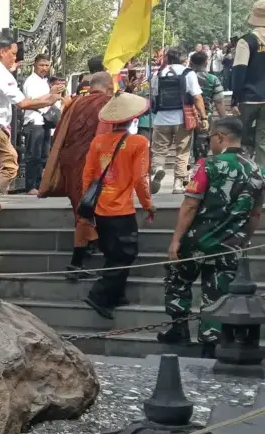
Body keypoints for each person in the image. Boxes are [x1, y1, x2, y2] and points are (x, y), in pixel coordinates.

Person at [160, 117, 265, 354]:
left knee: (178, 281)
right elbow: (255, 214)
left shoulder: (207, 165)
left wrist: (176, 239)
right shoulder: (257, 171)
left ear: (220, 137)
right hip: (230, 243)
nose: (210, 144)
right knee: (218, 292)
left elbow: (190, 205)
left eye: (211, 139)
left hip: (196, 240)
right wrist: (244, 240)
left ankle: (179, 329)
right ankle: (210, 344)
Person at [82, 93, 156, 319]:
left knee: (112, 253)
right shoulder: (139, 142)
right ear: (134, 117)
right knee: (126, 254)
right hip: (122, 209)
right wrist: (148, 204)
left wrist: (87, 203)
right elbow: (140, 179)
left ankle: (117, 294)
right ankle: (100, 294)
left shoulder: (98, 141)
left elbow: (88, 175)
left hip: (99, 207)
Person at [41, 72, 117, 277]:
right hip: (92, 163)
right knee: (90, 209)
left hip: (70, 161)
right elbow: (105, 137)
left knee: (82, 206)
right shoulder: (107, 103)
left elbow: (58, 135)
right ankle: (80, 261)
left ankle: (89, 247)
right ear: (109, 87)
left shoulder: (74, 103)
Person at [0, 37, 63, 194]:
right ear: (2, 52)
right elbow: (23, 103)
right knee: (10, 167)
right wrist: (50, 99)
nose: (15, 58)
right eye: (13, 54)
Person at [150, 48, 206, 195]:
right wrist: (203, 117)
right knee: (183, 151)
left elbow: (154, 95)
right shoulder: (188, 73)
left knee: (159, 150)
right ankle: (178, 184)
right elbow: (197, 97)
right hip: (182, 118)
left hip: (161, 118)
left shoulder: (158, 74)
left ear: (168, 59)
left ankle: (159, 169)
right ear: (184, 59)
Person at [233, 2, 265, 168]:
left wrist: (234, 99)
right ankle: (262, 176)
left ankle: (243, 171)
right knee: (263, 141)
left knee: (241, 137)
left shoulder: (246, 41)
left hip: (249, 98)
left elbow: (239, 71)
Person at [22, 54, 54, 195]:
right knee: (33, 156)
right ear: (35, 65)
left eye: (47, 65)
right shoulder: (31, 81)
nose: (44, 68)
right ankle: (30, 186)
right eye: (41, 65)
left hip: (45, 123)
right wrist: (49, 97)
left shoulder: (45, 81)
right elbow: (30, 102)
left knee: (43, 156)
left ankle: (40, 184)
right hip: (34, 122)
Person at [191, 51, 228, 162]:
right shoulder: (213, 79)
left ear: (191, 63)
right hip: (206, 116)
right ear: (206, 61)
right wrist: (224, 119)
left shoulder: (186, 77)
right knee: (203, 145)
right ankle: (201, 165)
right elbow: (219, 102)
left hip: (186, 115)